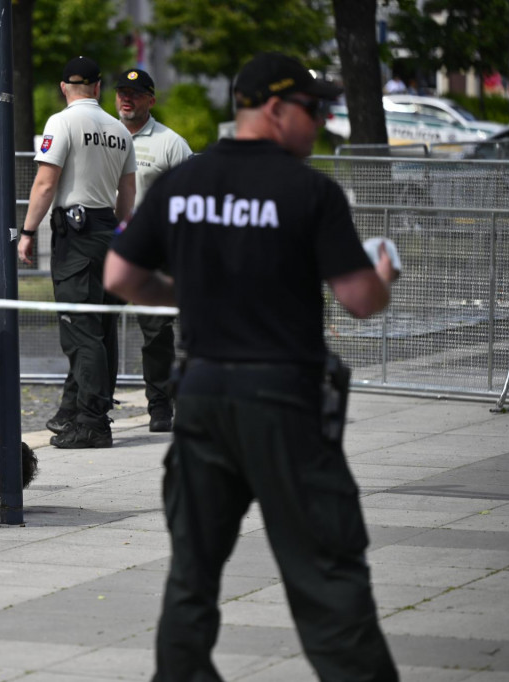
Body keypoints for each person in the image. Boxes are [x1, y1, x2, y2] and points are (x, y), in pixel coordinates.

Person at [104, 52, 399, 681]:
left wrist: (186, 295)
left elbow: (120, 276)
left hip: (204, 397)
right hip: (285, 401)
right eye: (314, 110)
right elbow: (358, 299)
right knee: (325, 569)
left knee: (193, 570)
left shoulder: (185, 183)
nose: (320, 123)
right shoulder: (309, 190)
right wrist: (384, 275)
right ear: (275, 108)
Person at [17, 56, 136, 450]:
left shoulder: (62, 122)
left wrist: (28, 231)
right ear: (99, 87)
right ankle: (75, 410)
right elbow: (128, 194)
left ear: (64, 87)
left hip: (76, 236)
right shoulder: (120, 130)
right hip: (109, 232)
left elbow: (46, 184)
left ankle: (92, 422)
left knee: (80, 330)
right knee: (100, 329)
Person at [114, 68, 192, 433]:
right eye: (121, 93)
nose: (126, 99)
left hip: (154, 253)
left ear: (151, 99)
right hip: (107, 247)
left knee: (157, 334)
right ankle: (94, 408)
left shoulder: (170, 143)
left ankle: (161, 406)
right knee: (95, 330)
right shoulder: (104, 135)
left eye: (135, 93)